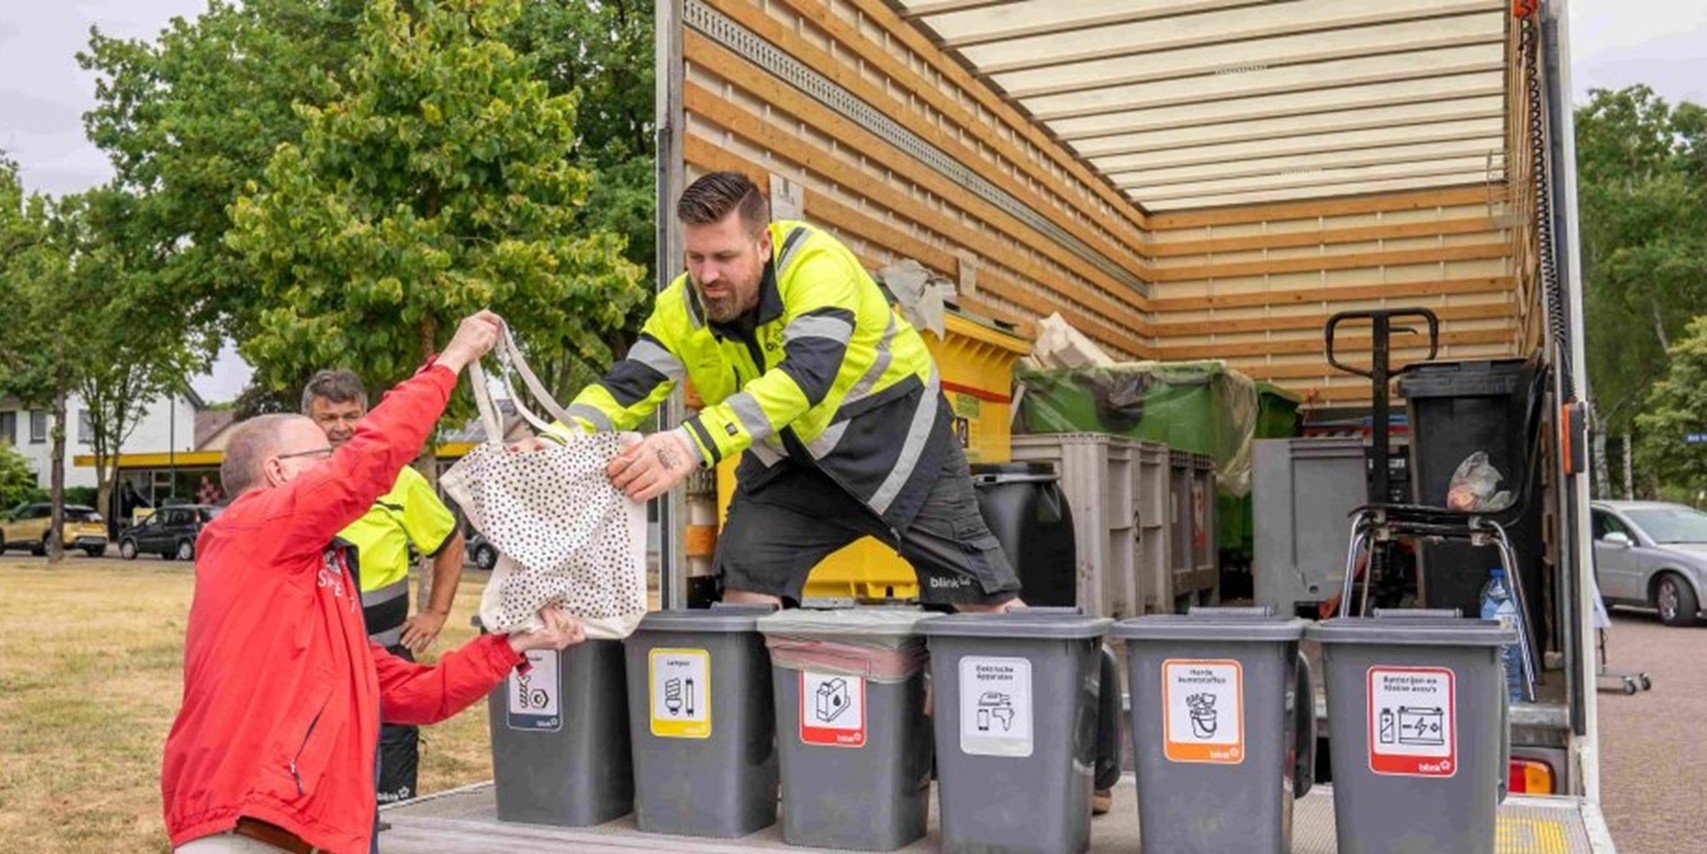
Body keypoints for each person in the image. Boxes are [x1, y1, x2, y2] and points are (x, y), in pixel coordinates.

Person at [162, 311, 585, 854]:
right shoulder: (250, 527)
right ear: (277, 472)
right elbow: (366, 463)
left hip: (299, 833)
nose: (336, 457)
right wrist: (451, 361)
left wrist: (515, 645)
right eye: (321, 452)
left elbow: (416, 693)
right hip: (242, 828)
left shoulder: (313, 579)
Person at [524, 171, 1022, 613]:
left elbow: (807, 375)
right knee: (745, 588)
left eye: (724, 256)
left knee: (980, 598)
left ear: (763, 243)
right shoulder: (682, 307)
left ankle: (1049, 683)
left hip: (897, 448)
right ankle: (760, 714)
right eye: (695, 257)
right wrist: (560, 436)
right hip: (788, 467)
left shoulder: (817, 265)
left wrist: (688, 443)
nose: (707, 275)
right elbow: (626, 384)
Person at [302, 368, 467, 805]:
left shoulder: (399, 479)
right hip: (316, 662)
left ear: (367, 415)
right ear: (309, 422)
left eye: (350, 415)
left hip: (386, 659)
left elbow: (450, 545)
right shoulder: (295, 478)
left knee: (391, 796)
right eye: (328, 417)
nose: (340, 427)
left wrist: (436, 614)